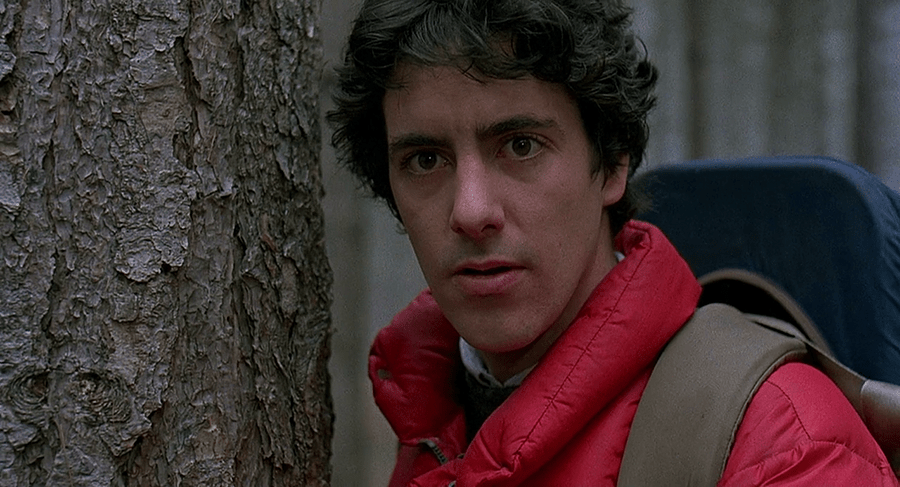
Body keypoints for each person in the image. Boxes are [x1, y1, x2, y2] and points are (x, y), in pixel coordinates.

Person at [328, 0, 900, 485]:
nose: (471, 211)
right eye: (425, 160)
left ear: (611, 164)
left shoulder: (782, 443)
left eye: (521, 145)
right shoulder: (428, 408)